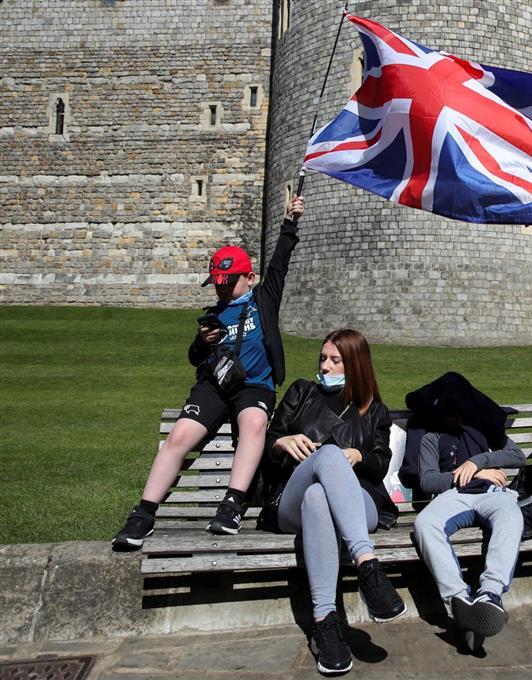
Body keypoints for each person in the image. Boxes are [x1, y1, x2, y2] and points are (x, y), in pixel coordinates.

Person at [113, 196, 305, 549]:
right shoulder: (213, 315)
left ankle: (232, 503)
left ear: (249, 277)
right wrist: (202, 342)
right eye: (217, 282)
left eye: (228, 282)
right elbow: (193, 358)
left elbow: (280, 263)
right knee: (178, 436)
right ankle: (144, 513)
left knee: (253, 424)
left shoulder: (264, 299)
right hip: (214, 387)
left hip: (253, 386)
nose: (221, 288)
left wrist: (289, 223)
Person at [259, 329, 406, 675]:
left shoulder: (374, 411)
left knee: (319, 496)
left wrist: (359, 455)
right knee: (324, 460)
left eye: (335, 360)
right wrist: (282, 443)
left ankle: (325, 622)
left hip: (357, 501)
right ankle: (368, 565)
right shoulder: (301, 391)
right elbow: (266, 443)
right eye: (323, 358)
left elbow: (382, 462)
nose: (325, 366)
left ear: (355, 365)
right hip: (291, 496)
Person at [407, 373, 525, 649]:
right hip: (455, 494)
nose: (452, 416)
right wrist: (471, 474)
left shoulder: (483, 429)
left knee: (511, 516)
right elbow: (427, 479)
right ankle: (459, 600)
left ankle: (490, 595)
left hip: (491, 493)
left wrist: (478, 461)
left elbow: (517, 456)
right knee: (426, 523)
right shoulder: (431, 437)